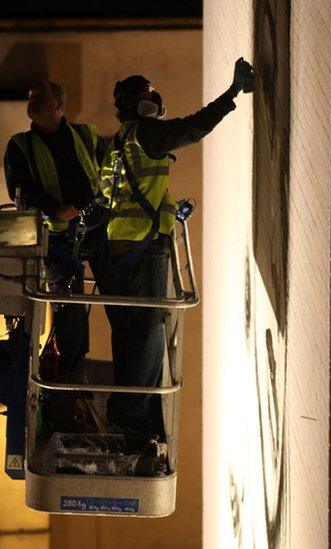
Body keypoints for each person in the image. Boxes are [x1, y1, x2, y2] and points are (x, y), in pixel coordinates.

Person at [101, 58, 254, 438]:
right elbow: (194, 127)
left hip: (118, 246)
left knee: (128, 331)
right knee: (150, 328)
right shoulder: (147, 135)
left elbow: (128, 197)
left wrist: (172, 208)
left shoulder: (117, 145)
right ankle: (132, 412)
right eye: (148, 94)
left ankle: (128, 406)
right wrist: (233, 93)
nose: (154, 98)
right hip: (142, 248)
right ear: (141, 104)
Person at [3, 80, 113, 431]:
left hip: (98, 232)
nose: (31, 101)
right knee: (68, 310)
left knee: (121, 301)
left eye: (39, 97)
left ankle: (111, 371)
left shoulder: (87, 136)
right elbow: (22, 193)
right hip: (58, 241)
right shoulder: (20, 146)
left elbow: (107, 176)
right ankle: (71, 380)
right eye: (30, 97)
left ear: (59, 104)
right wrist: (55, 209)